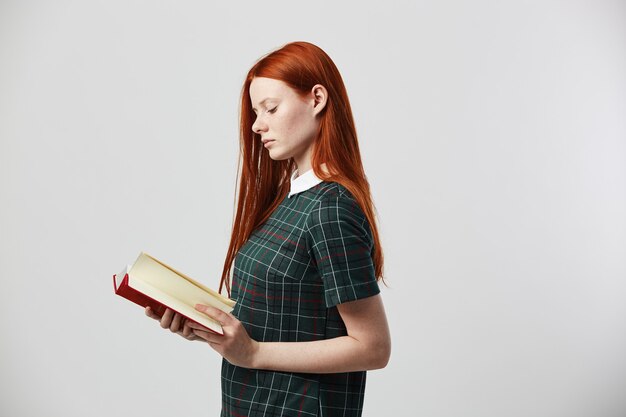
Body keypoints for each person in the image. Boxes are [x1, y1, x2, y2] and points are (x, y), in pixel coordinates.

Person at [145, 41, 391, 417]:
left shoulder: (331, 208)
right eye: (256, 112)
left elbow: (372, 347)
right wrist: (205, 320)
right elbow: (277, 311)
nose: (258, 124)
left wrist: (254, 352)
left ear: (317, 99)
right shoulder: (289, 198)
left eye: (271, 108)